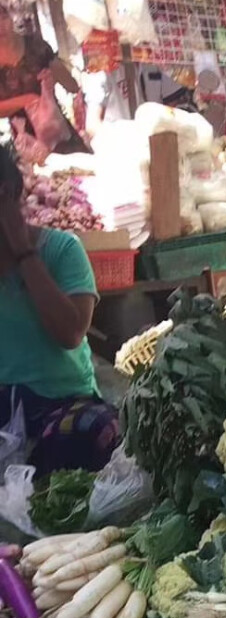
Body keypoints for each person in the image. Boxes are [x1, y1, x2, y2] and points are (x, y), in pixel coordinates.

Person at [0, 144, 118, 476]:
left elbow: (70, 333)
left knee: (101, 430)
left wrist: (24, 254)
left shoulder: (62, 250)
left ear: (5, 195)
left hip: (60, 403)